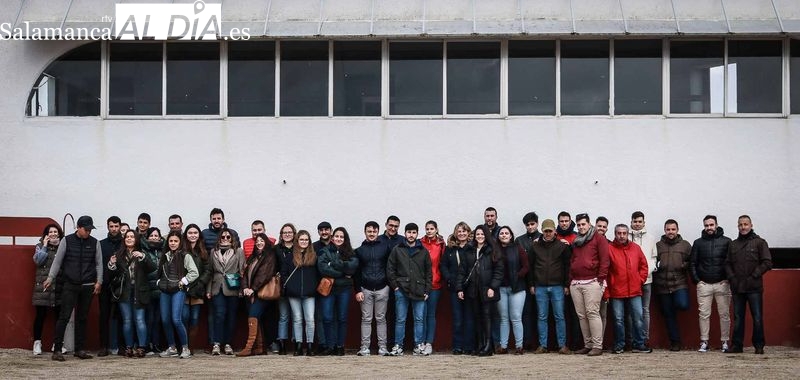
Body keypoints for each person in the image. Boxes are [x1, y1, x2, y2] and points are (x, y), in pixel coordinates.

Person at [44, 215, 103, 362]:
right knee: (64, 316)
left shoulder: (95, 243)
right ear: (79, 227)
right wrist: (50, 278)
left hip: (88, 285)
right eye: (86, 229)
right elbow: (57, 261)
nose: (89, 232)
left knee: (82, 318)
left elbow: (99, 263)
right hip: (70, 284)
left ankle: (79, 349)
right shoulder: (67, 240)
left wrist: (99, 281)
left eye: (90, 229)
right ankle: (57, 349)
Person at [725, 215, 772, 354]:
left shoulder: (760, 242)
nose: (743, 227)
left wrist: (755, 275)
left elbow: (767, 262)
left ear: (751, 225)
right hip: (737, 286)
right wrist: (732, 278)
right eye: (740, 225)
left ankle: (759, 345)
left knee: (757, 317)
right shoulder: (733, 244)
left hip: (754, 287)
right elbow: (727, 263)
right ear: (737, 226)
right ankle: (737, 346)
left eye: (745, 224)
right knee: (738, 318)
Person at [107, 229, 155, 358]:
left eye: (132, 237)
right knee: (127, 320)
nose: (129, 239)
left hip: (140, 291)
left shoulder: (142, 253)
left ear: (136, 239)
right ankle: (128, 347)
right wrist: (111, 264)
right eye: (127, 237)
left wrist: (143, 257)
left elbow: (153, 268)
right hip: (124, 291)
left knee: (139, 320)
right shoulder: (118, 254)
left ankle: (141, 347)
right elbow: (112, 275)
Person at [457, 225, 503, 357]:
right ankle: (480, 345)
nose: (480, 236)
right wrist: (460, 288)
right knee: (477, 317)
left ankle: (488, 346)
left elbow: (499, 271)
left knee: (487, 317)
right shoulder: (469, 250)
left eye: (482, 234)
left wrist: (493, 287)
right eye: (478, 234)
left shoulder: (492, 250)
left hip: (487, 290)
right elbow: (462, 271)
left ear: (486, 235)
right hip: (473, 290)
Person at [387, 223, 432, 356]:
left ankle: (418, 345)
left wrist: (427, 290)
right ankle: (398, 346)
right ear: (405, 233)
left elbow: (428, 273)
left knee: (419, 319)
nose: (411, 235)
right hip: (401, 289)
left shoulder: (423, 251)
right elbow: (390, 269)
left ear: (417, 234)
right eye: (408, 232)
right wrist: (395, 286)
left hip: (419, 290)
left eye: (413, 232)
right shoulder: (397, 249)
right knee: (400, 319)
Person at [528, 219, 571, 355]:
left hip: (558, 286)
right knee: (542, 317)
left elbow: (567, 267)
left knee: (559, 316)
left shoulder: (562, 246)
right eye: (545, 231)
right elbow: (530, 267)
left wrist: (566, 285)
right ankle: (542, 345)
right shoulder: (534, 247)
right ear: (542, 231)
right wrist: (531, 284)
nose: (547, 233)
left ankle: (562, 345)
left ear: (554, 232)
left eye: (550, 231)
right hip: (540, 287)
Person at [568, 213, 609, 356]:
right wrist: (570, 279)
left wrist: (601, 278)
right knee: (582, 315)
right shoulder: (576, 240)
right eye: (578, 225)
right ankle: (588, 344)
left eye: (583, 224)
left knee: (592, 313)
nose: (581, 227)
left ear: (589, 224)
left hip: (593, 282)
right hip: (576, 283)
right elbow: (572, 260)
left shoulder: (599, 238)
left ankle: (598, 346)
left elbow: (605, 260)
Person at [690, 215, 732, 353]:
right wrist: (697, 281)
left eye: (711, 225)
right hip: (704, 285)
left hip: (722, 284)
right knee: (703, 314)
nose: (709, 228)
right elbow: (693, 263)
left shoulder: (727, 242)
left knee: (724, 314)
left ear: (716, 225)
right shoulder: (698, 243)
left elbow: (731, 262)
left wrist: (727, 278)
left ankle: (725, 341)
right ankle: (704, 342)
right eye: (706, 225)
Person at [607, 224, 651, 354]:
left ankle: (639, 344)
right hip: (616, 290)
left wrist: (640, 280)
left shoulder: (636, 248)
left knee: (638, 317)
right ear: (615, 234)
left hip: (634, 289)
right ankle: (620, 344)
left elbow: (644, 265)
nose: (621, 236)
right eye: (619, 233)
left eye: (624, 233)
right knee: (618, 319)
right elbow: (607, 270)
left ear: (628, 234)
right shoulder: (609, 249)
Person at [317, 227, 359, 356]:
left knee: (342, 318)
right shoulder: (324, 250)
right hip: (329, 289)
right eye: (336, 236)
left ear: (345, 239)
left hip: (344, 290)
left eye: (341, 237)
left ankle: (340, 346)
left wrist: (333, 264)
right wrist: (342, 272)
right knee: (327, 318)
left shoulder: (350, 252)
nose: (339, 239)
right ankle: (330, 346)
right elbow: (323, 268)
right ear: (332, 237)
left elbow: (352, 268)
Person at [158, 231, 198, 359]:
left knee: (176, 319)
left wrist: (183, 281)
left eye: (176, 241)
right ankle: (172, 348)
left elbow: (194, 272)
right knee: (165, 320)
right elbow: (159, 271)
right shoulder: (165, 255)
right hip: (164, 291)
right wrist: (159, 281)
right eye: (171, 241)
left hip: (178, 290)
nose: (173, 243)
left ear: (180, 242)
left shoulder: (185, 256)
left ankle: (185, 348)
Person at [354, 221, 391, 356]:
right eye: (369, 231)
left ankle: (383, 347)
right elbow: (356, 272)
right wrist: (358, 290)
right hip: (365, 289)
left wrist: (388, 285)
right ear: (365, 232)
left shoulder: (385, 248)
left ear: (378, 232)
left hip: (382, 288)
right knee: (366, 319)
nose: (371, 234)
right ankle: (364, 348)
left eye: (374, 231)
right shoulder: (359, 250)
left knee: (381, 319)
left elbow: (390, 267)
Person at [654, 219, 692, 351]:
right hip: (662, 286)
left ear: (677, 230)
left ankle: (676, 304)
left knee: (682, 304)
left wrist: (684, 265)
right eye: (668, 229)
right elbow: (653, 261)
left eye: (673, 229)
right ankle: (675, 342)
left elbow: (691, 261)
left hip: (679, 283)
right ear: (665, 230)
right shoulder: (658, 245)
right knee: (668, 315)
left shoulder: (685, 245)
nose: (671, 232)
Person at [237, 233, 277, 357]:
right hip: (249, 293)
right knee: (255, 318)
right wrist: (245, 288)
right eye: (257, 241)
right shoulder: (252, 257)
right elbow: (244, 274)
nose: (259, 243)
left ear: (266, 242)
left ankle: (249, 347)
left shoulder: (270, 256)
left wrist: (253, 289)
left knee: (253, 316)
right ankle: (259, 348)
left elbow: (264, 275)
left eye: (262, 240)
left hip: (261, 293)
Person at [206, 228, 245, 356]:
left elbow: (242, 271)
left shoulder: (238, 251)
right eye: (223, 237)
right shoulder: (213, 251)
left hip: (233, 287)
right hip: (217, 287)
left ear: (232, 239)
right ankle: (217, 343)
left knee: (231, 316)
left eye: (228, 237)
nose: (225, 239)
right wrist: (208, 290)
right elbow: (210, 272)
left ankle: (228, 343)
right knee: (219, 314)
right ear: (219, 238)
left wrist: (241, 289)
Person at [283, 230, 319, 356]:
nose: (304, 242)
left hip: (310, 294)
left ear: (309, 242)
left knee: (310, 319)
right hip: (293, 293)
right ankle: (298, 345)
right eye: (301, 239)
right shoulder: (290, 257)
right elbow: (284, 274)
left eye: (306, 240)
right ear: (297, 241)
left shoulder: (314, 257)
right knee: (297, 319)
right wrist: (289, 287)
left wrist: (314, 287)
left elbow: (318, 275)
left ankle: (309, 345)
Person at [32, 223, 64, 356]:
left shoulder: (63, 246)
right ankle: (37, 343)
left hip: (59, 286)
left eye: (55, 232)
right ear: (46, 234)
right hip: (43, 287)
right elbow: (38, 261)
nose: (53, 234)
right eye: (50, 232)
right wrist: (45, 246)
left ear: (59, 234)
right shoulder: (40, 246)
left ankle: (57, 344)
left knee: (59, 317)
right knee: (40, 316)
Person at [495, 226, 529, 355]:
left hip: (517, 288)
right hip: (501, 288)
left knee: (516, 317)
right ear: (498, 236)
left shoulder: (518, 248)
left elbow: (526, 266)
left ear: (511, 236)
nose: (504, 235)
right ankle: (503, 347)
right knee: (503, 318)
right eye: (501, 233)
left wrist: (517, 276)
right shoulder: (494, 250)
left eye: (506, 233)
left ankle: (519, 346)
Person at [440, 222, 472, 355]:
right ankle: (457, 346)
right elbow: (443, 266)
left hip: (470, 288)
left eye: (464, 231)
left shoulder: (473, 247)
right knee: (458, 318)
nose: (462, 234)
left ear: (468, 233)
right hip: (454, 288)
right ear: (455, 233)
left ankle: (469, 346)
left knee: (469, 318)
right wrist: (449, 279)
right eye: (459, 231)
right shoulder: (450, 249)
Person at [628, 211, 658, 346]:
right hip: (629, 282)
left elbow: (653, 259)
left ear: (644, 222)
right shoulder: (625, 236)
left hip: (647, 280)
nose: (637, 224)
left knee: (645, 310)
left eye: (640, 221)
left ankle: (644, 338)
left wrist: (643, 276)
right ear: (631, 222)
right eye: (635, 221)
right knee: (631, 311)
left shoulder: (651, 238)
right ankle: (632, 338)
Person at [181, 224, 211, 355]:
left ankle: (191, 347)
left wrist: (200, 283)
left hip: (198, 290)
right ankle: (184, 346)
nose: (193, 235)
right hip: (184, 289)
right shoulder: (181, 250)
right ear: (186, 235)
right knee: (184, 317)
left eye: (195, 232)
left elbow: (208, 270)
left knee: (194, 318)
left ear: (199, 234)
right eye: (190, 232)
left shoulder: (203, 250)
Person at [515, 212, 541, 350]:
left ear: (537, 223)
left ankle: (542, 343)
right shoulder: (519, 240)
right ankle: (527, 342)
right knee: (526, 313)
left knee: (542, 313)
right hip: (524, 282)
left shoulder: (544, 237)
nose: (530, 227)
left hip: (541, 280)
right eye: (528, 224)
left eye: (532, 224)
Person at [97, 216, 122, 356]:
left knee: (122, 316)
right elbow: (98, 264)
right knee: (104, 316)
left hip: (121, 285)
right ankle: (103, 346)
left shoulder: (125, 243)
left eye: (116, 226)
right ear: (108, 227)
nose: (114, 229)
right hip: (105, 284)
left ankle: (122, 346)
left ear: (120, 226)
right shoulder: (101, 244)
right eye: (111, 226)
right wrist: (99, 281)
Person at [419, 220, 445, 355]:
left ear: (436, 229)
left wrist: (440, 277)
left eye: (432, 228)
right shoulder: (420, 243)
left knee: (430, 314)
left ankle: (429, 343)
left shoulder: (441, 244)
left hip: (435, 284)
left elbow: (443, 263)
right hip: (421, 285)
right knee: (420, 314)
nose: (429, 231)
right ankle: (421, 342)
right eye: (427, 228)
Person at [273, 223, 297, 354]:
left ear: (294, 234)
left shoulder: (298, 248)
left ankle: (295, 342)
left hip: (295, 286)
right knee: (283, 316)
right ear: (281, 235)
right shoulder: (276, 249)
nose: (287, 234)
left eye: (290, 232)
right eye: (284, 232)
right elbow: (272, 265)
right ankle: (281, 342)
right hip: (281, 286)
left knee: (296, 316)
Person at [141, 227, 164, 355]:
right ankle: (147, 344)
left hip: (161, 290)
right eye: (152, 235)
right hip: (148, 289)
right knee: (148, 318)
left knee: (158, 319)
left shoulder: (163, 250)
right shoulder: (143, 250)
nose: (154, 238)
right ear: (147, 237)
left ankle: (156, 344)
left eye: (157, 235)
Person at [312, 221, 332, 354]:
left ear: (331, 231)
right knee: (319, 317)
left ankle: (332, 344)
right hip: (318, 286)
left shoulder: (336, 244)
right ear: (318, 232)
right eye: (321, 230)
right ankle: (322, 344)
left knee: (331, 317)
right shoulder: (313, 247)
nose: (324, 232)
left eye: (326, 230)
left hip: (334, 285)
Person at [594, 216, 611, 337]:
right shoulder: (588, 241)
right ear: (595, 226)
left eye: (604, 227)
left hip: (604, 283)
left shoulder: (609, 244)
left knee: (602, 314)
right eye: (599, 226)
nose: (601, 228)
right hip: (589, 282)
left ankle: (600, 341)